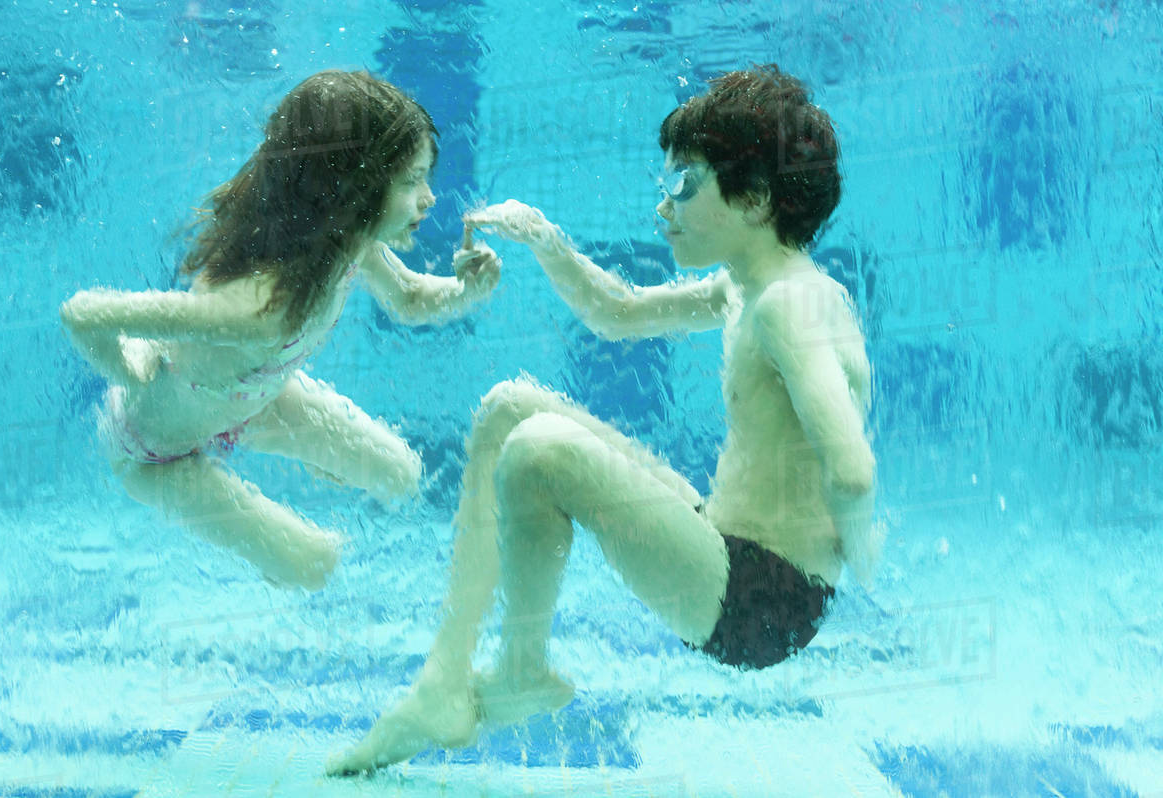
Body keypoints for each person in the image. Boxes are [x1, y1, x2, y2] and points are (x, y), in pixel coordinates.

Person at [327, 64, 879, 775]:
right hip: (724, 545)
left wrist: (862, 559)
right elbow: (618, 313)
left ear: (755, 200)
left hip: (761, 602)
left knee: (539, 451)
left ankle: (522, 670)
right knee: (508, 408)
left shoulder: (789, 305)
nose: (664, 207)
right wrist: (545, 240)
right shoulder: (752, 286)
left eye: (684, 185)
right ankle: (444, 679)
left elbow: (854, 472)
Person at [59, 70, 500, 591]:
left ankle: (300, 463)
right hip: (157, 452)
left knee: (400, 475)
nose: (429, 197)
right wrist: (131, 372)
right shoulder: (255, 310)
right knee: (314, 566)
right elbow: (83, 314)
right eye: (411, 181)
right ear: (350, 186)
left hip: (252, 400)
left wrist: (467, 290)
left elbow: (407, 298)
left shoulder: (350, 243)